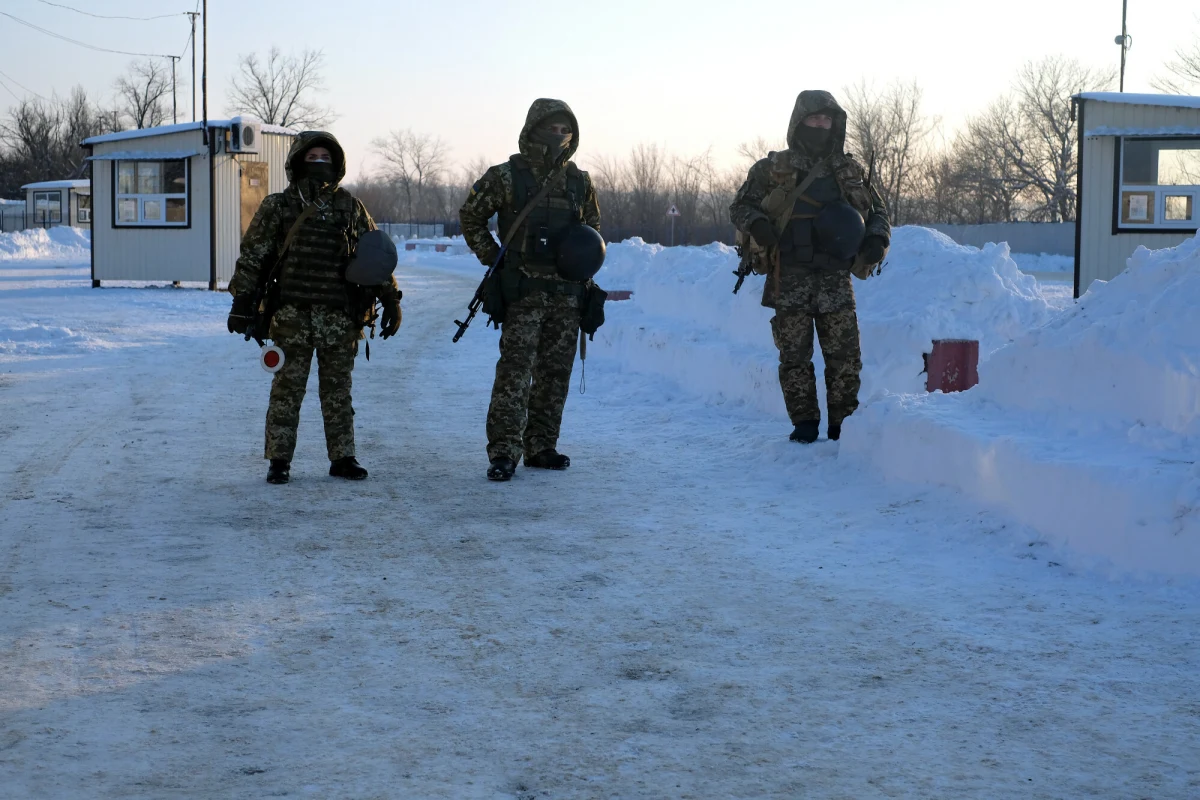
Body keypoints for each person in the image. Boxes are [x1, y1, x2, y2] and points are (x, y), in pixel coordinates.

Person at [226, 131, 402, 484]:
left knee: (338, 391)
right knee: (286, 391)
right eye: (312, 157)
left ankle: (343, 457)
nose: (319, 163)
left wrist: (390, 297)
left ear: (336, 164)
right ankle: (279, 460)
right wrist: (242, 300)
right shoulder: (278, 205)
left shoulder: (350, 207)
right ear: (297, 162)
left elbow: (374, 255)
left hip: (339, 318)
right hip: (291, 315)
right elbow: (254, 256)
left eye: (326, 157)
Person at [730, 90, 891, 443]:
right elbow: (739, 206)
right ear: (799, 121)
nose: (821, 125)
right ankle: (804, 422)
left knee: (845, 357)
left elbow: (879, 213)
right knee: (794, 357)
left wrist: (877, 240)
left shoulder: (848, 170)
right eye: (814, 119)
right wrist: (757, 223)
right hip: (789, 276)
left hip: (835, 277)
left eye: (827, 119)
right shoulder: (773, 169)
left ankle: (843, 425)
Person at [458, 98, 602, 482]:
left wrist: (583, 265)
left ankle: (541, 444)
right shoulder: (507, 176)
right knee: (515, 372)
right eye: (551, 128)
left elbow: (592, 230)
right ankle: (504, 451)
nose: (558, 136)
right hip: (523, 293)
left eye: (564, 130)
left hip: (567, 295)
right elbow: (471, 215)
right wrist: (495, 258)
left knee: (555, 373)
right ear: (534, 129)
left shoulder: (580, 182)